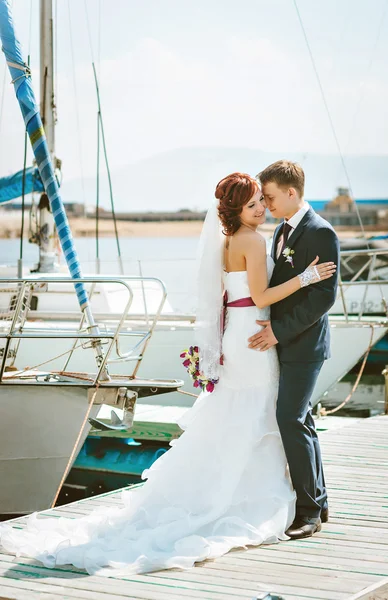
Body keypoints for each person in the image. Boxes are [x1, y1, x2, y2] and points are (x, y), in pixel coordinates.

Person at [0, 172, 336, 576]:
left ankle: (292, 497)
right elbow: (262, 296)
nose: (262, 207)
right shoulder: (254, 240)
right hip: (253, 337)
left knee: (248, 414)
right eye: (254, 204)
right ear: (237, 211)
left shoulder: (231, 240)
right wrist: (306, 277)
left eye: (264, 201)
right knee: (262, 414)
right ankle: (272, 499)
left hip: (241, 334)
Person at [248, 160, 340, 539]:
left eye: (269, 196)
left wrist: (278, 332)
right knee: (302, 419)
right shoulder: (281, 232)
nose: (266, 204)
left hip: (303, 344)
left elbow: (322, 298)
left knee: (290, 418)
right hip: (285, 342)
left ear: (290, 192)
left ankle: (308, 514)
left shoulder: (320, 232)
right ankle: (318, 500)